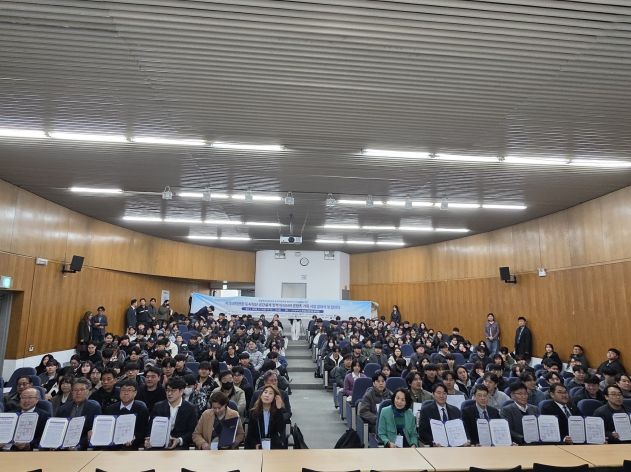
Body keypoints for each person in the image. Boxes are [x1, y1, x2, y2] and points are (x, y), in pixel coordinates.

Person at [146, 376, 198, 450]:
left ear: (181, 391)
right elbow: (150, 428)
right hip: (158, 444)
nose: (169, 393)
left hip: (179, 446)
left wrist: (179, 440)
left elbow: (191, 432)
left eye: (173, 391)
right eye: (167, 390)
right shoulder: (158, 406)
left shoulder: (190, 408)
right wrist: (149, 439)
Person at [56, 377, 102, 450]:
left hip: (84, 447)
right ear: (72, 392)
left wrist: (79, 445)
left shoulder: (94, 407)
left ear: (88, 391)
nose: (78, 392)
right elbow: (58, 430)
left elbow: (94, 433)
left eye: (82, 390)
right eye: (75, 390)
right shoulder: (62, 409)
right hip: (63, 446)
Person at [104, 379, 149, 450]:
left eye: (129, 390)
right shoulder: (110, 409)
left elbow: (143, 431)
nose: (126, 393)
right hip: (112, 447)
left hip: (133, 447)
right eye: (123, 390)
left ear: (135, 393)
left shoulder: (141, 409)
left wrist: (134, 438)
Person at [244, 384, 287, 449]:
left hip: (273, 446)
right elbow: (250, 434)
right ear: (261, 396)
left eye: (270, 393)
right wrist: (255, 445)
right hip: (257, 445)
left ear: (275, 397)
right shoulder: (254, 412)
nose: (267, 395)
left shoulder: (278, 412)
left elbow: (281, 430)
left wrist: (279, 409)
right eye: (265, 392)